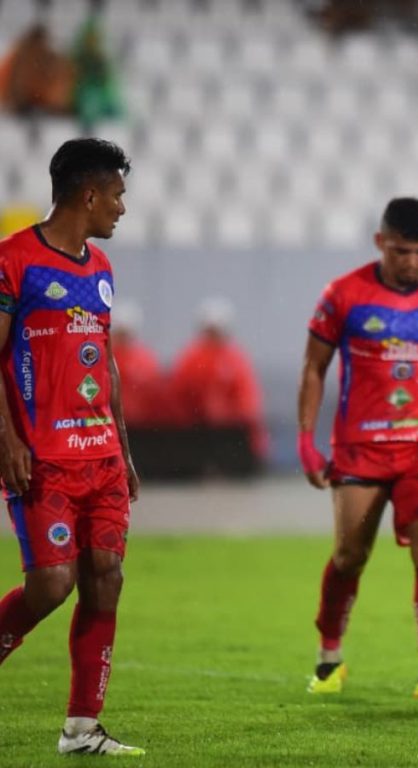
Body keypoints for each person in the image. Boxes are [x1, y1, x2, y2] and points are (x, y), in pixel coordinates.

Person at [298, 197, 418, 699]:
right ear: (381, 242)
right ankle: (329, 658)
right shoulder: (344, 294)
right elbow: (314, 368)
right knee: (349, 554)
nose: (412, 262)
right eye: (401, 251)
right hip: (361, 448)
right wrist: (306, 441)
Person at [0, 138, 144, 755]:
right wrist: (6, 437)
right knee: (51, 586)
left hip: (102, 456)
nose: (121, 208)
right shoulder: (14, 262)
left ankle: (81, 728)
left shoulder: (101, 270)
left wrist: (126, 448)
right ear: (88, 194)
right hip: (44, 457)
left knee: (105, 579)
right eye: (116, 195)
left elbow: (104, 364)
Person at [168, 297, 268, 463]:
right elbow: (178, 395)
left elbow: (248, 400)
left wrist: (229, 414)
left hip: (230, 431)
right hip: (197, 429)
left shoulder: (236, 359)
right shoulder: (191, 358)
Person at [110, 300, 164, 428]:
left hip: (142, 425)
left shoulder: (145, 359)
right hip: (111, 423)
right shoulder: (105, 357)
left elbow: (155, 393)